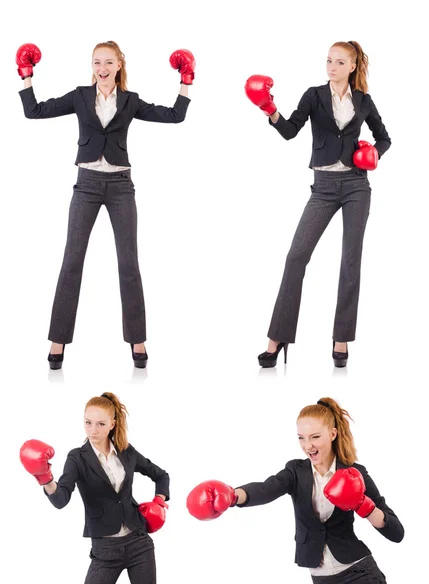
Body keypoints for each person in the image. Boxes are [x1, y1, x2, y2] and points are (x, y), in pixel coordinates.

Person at [16, 41, 194, 369]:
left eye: (108, 62)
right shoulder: (80, 96)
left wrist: (186, 80)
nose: (102, 67)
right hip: (86, 185)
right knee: (72, 261)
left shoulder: (130, 101)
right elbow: (34, 111)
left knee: (129, 264)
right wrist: (26, 76)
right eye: (97, 62)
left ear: (118, 66)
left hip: (121, 187)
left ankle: (137, 341)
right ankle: (58, 341)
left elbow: (174, 116)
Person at [245, 41, 390, 368]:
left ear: (352, 67)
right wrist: (269, 109)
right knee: (296, 256)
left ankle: (341, 338)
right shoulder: (313, 95)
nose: (331, 67)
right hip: (323, 187)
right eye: (328, 61)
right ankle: (278, 338)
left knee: (350, 261)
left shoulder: (364, 101)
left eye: (339, 62)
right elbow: (289, 131)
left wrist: (374, 154)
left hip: (356, 186)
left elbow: (384, 137)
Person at [187, 397, 404, 583]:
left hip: (359, 572)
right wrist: (233, 496)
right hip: (321, 578)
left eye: (315, 437)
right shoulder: (296, 471)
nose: (308, 445)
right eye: (301, 438)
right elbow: (266, 489)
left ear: (333, 434)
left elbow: (396, 533)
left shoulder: (355, 473)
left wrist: (363, 505)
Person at [20, 391, 169, 583]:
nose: (93, 430)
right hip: (105, 550)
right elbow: (60, 500)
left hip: (139, 542)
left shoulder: (125, 451)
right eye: (88, 422)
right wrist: (44, 477)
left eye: (100, 424)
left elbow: (161, 475)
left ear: (112, 425)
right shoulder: (77, 458)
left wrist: (159, 501)